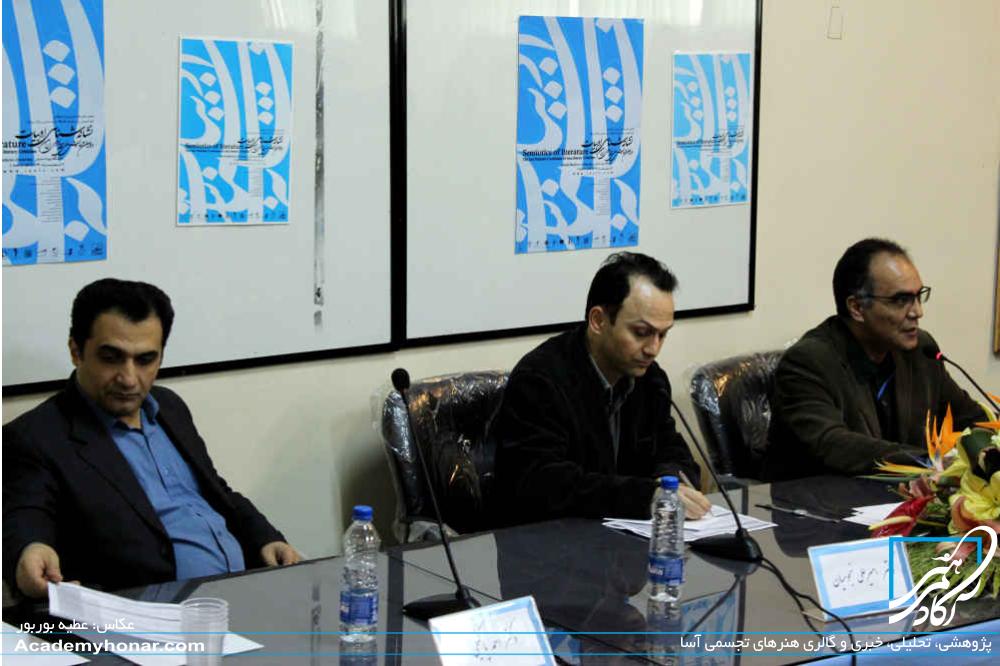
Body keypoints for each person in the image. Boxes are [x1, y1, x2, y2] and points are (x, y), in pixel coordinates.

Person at [3, 279, 300, 599]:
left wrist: (265, 538)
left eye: (145, 360)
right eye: (111, 358)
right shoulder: (35, 437)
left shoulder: (170, 407)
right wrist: (29, 550)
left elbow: (215, 491)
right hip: (148, 613)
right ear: (76, 351)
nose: (129, 379)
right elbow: (24, 517)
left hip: (240, 594)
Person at [491, 252, 710, 525]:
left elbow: (671, 449)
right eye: (641, 333)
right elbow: (543, 483)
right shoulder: (540, 380)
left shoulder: (651, 380)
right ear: (598, 321)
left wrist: (671, 483)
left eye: (662, 334)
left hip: (623, 538)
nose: (653, 349)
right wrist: (645, 496)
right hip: (550, 540)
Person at [765, 238, 983, 479]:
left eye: (918, 296)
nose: (917, 312)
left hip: (903, 495)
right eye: (901, 300)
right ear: (857, 308)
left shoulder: (921, 351)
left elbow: (973, 420)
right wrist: (931, 462)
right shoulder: (808, 362)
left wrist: (989, 451)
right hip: (829, 498)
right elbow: (834, 445)